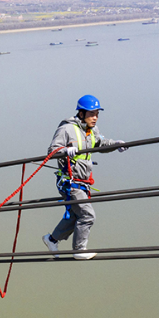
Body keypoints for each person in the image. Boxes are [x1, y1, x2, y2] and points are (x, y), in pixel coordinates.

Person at [42, 95, 128, 260]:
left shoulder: (91, 130)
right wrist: (65, 150)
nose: (95, 117)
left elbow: (100, 144)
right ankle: (79, 250)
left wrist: (116, 144)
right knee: (87, 215)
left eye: (96, 114)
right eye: (91, 114)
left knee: (75, 216)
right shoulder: (66, 129)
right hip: (69, 182)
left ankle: (52, 239)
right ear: (81, 114)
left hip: (83, 182)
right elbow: (52, 150)